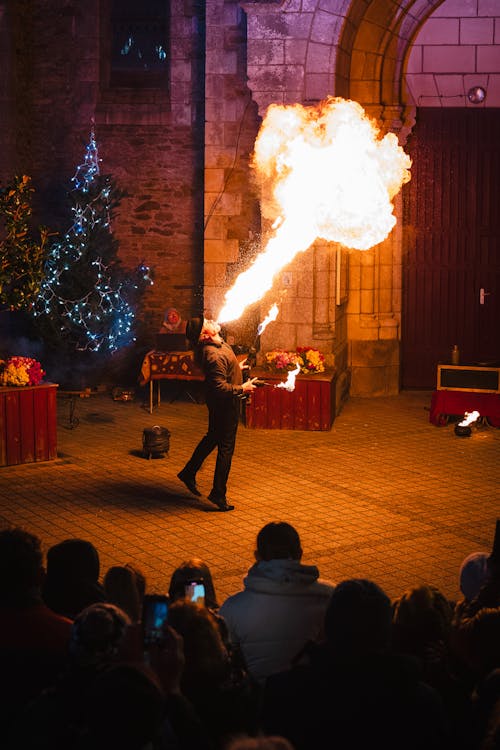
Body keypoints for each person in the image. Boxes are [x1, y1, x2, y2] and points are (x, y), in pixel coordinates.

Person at [219, 521, 335, 684]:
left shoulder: (233, 608)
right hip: (315, 696)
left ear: (257, 556)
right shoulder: (330, 597)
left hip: (260, 700)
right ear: (300, 553)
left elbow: (224, 656)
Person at [177, 315, 258, 511]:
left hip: (220, 404)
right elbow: (219, 387)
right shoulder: (214, 355)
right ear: (205, 334)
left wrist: (235, 369)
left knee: (213, 436)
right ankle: (218, 493)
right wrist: (243, 388)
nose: (211, 321)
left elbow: (221, 374)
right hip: (225, 405)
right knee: (226, 449)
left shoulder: (218, 345)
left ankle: (188, 472)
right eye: (207, 323)